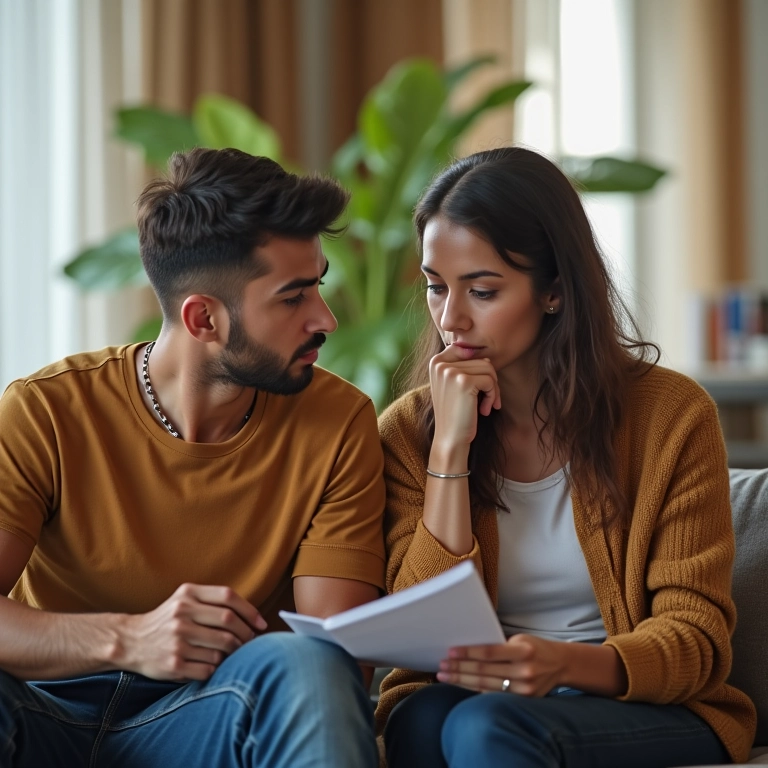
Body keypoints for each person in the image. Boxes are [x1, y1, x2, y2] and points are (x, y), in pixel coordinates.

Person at [0, 147, 385, 768]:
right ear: (203, 317)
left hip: (207, 715)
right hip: (45, 711)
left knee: (310, 665)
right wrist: (130, 639)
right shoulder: (46, 409)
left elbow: (340, 654)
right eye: (293, 298)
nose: (326, 318)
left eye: (319, 285)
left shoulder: (337, 422)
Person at [375, 146, 756, 768]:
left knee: (487, 729)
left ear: (553, 291)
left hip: (640, 704)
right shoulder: (408, 432)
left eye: (483, 290)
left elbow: (697, 641)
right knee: (419, 722)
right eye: (435, 288)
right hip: (478, 698)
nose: (451, 318)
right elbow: (422, 639)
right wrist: (450, 449)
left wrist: (562, 663)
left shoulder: (672, 416)